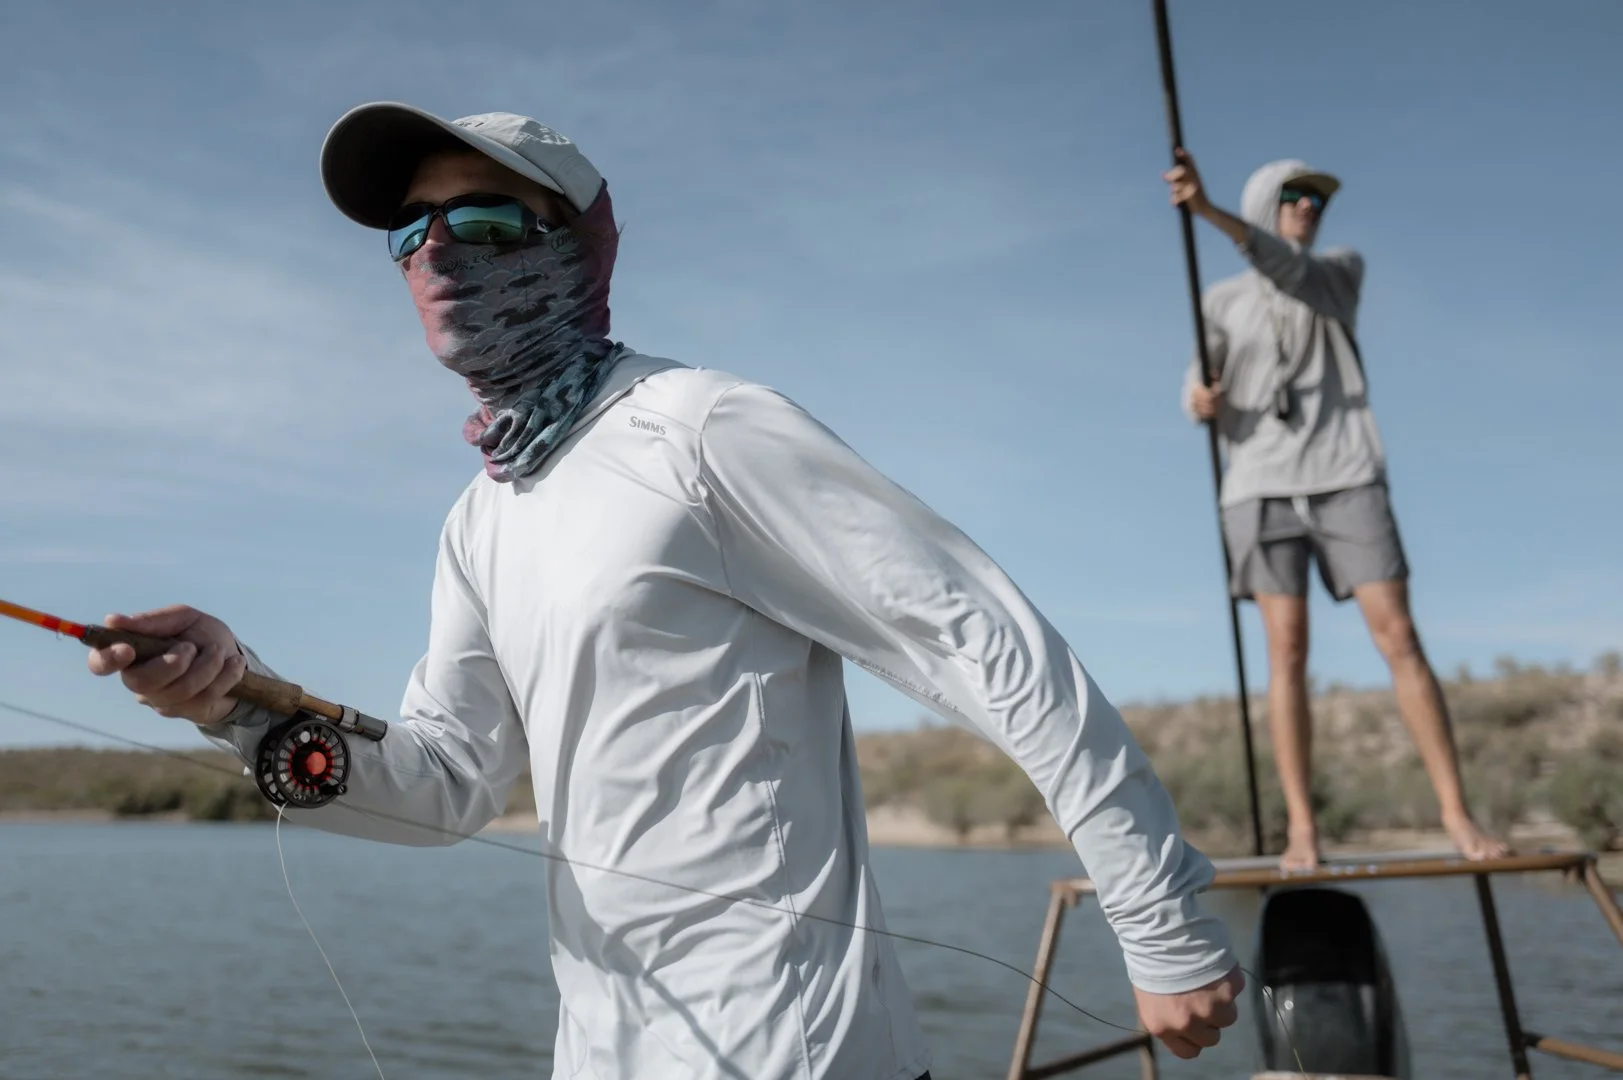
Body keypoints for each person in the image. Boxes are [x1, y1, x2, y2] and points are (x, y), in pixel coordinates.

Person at [86, 102, 1245, 1079]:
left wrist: (1160, 922)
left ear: (578, 249)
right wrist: (235, 705)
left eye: (485, 220)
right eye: (410, 233)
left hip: (795, 1046)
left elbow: (984, 641)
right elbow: (445, 785)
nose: (438, 255)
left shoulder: (700, 427)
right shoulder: (481, 517)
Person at [1162, 148, 1510, 872]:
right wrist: (1200, 398)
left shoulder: (1339, 270)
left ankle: (1455, 812)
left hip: (1346, 474)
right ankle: (1301, 828)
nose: (1310, 208)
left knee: (1399, 637)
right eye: (1294, 195)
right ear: (1266, 201)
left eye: (1317, 199)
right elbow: (1200, 381)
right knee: (1285, 649)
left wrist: (1206, 213)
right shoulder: (1220, 299)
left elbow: (1285, 269)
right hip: (1256, 484)